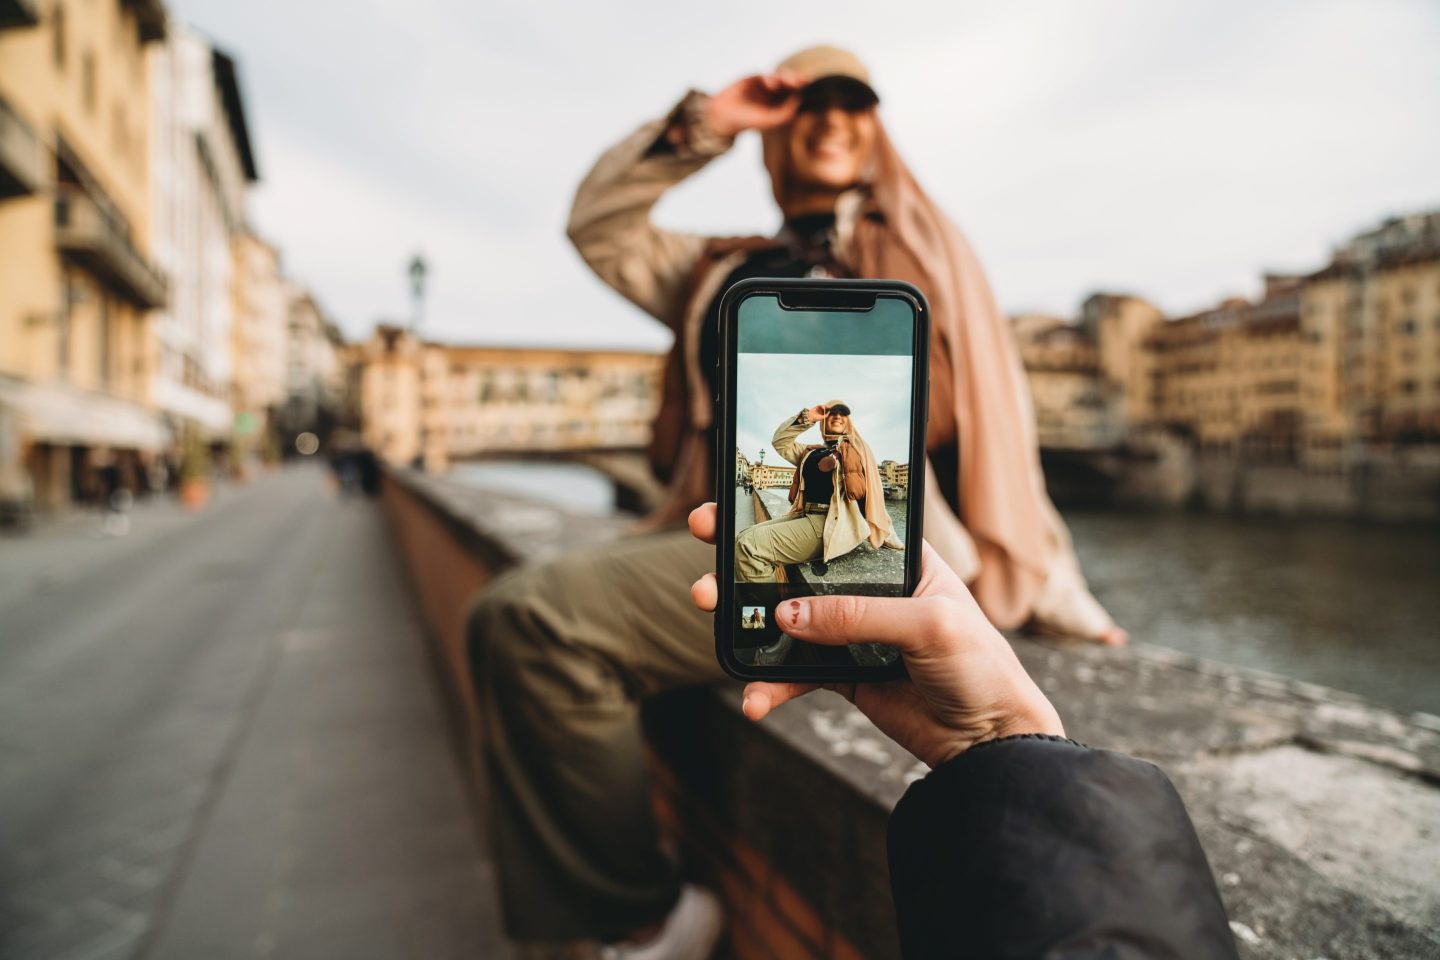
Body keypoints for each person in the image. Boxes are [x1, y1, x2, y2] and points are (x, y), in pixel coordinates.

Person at [469, 46, 1123, 956]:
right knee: (521, 611)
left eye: (853, 103)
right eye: (806, 104)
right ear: (778, 138)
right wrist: (713, 122)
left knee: (535, 619)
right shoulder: (721, 267)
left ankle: (638, 919)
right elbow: (600, 229)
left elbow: (994, 418)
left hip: (882, 544)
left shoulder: (920, 244)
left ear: (877, 130)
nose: (827, 118)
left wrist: (1054, 584)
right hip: (721, 519)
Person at [691, 502, 1240, 959]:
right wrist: (1003, 735)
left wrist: (1004, 736)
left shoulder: (848, 454)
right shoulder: (813, 449)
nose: (830, 426)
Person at [736, 401, 900, 584]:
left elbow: (873, 494)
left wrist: (889, 536)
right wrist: (808, 418)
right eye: (831, 412)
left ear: (848, 421)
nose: (837, 416)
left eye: (842, 413)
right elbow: (780, 443)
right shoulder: (810, 452)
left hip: (830, 524)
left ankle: (766, 609)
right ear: (823, 420)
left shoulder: (857, 449)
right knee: (742, 536)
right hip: (805, 515)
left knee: (749, 546)